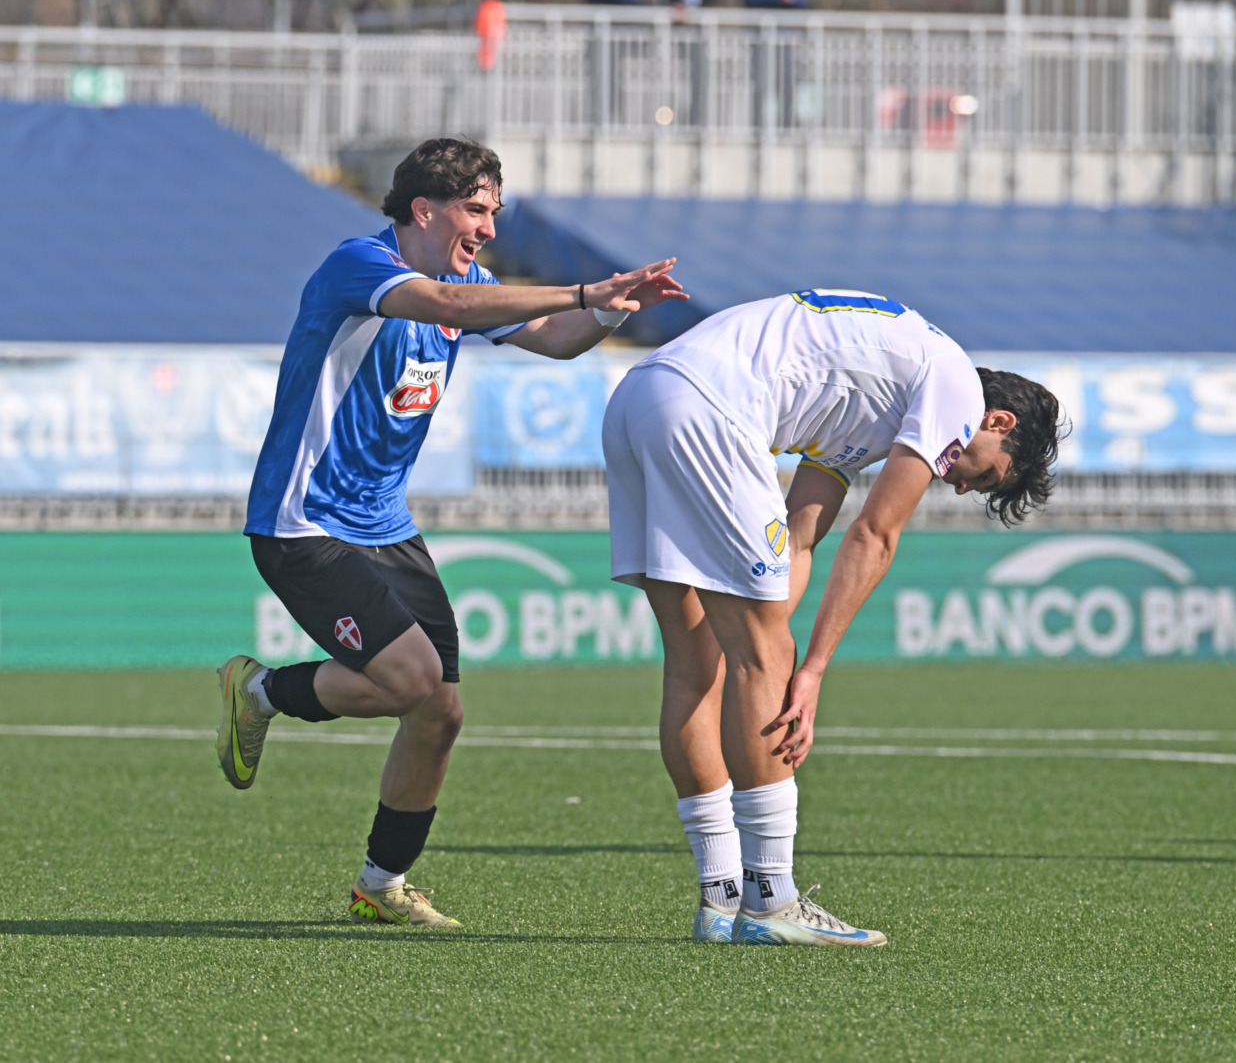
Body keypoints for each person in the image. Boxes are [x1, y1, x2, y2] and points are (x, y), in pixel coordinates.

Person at [216, 137, 686, 928]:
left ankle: (380, 884)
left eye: (495, 212)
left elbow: (554, 340)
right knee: (409, 680)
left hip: (386, 523)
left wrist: (608, 309)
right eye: (476, 210)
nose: (489, 229)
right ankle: (260, 690)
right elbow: (448, 309)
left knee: (442, 712)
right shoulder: (358, 266)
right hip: (304, 520)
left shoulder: (469, 279)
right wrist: (580, 289)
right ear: (424, 209)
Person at [602, 288, 1063, 946]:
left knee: (698, 657)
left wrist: (775, 643)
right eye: (985, 477)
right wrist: (807, 669)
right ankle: (772, 902)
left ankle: (721, 899)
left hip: (639, 398)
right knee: (764, 655)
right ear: (1000, 423)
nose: (960, 484)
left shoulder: (877, 399)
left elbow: (801, 535)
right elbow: (875, 535)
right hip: (708, 409)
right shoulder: (955, 389)